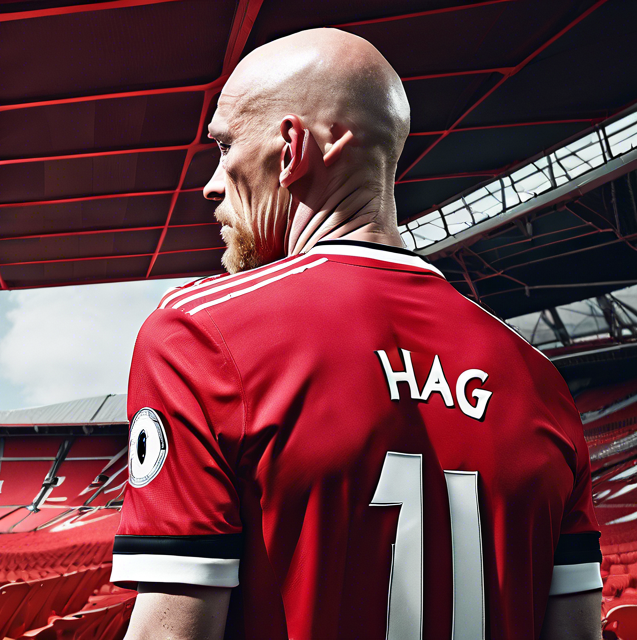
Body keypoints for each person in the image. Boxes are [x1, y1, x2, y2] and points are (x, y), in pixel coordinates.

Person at [110, 28, 601, 639]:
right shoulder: (541, 381)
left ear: (291, 149)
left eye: (224, 145)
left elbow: (170, 632)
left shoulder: (201, 336)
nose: (211, 183)